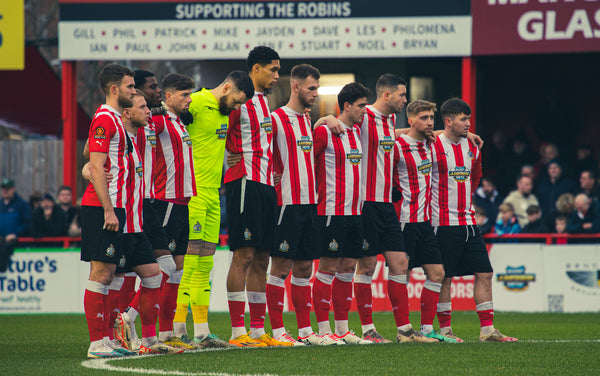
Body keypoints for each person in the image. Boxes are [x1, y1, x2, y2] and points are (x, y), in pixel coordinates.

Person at [171, 70, 253, 349]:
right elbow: (163, 115)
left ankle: (202, 332)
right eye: (237, 101)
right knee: (189, 263)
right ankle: (178, 327)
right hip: (192, 193)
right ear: (227, 87)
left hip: (213, 194)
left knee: (206, 263)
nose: (237, 108)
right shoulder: (194, 102)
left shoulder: (225, 112)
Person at [431, 98, 517, 342]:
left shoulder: (473, 147)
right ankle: (446, 330)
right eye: (463, 119)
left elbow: (475, 178)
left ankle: (487, 330)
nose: (469, 124)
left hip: (469, 222)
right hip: (443, 222)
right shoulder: (434, 144)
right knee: (445, 277)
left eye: (469, 119)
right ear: (448, 121)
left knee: (485, 273)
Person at [266, 64, 336, 346]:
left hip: (310, 205)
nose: (316, 94)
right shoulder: (275, 119)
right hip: (286, 203)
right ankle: (279, 331)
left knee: (305, 267)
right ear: (295, 87)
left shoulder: (308, 120)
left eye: (317, 88)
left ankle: (306, 332)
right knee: (280, 268)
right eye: (311, 88)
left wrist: (323, 121)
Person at [80, 64, 146, 358]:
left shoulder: (115, 119)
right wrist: (108, 209)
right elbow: (94, 163)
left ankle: (107, 338)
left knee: (109, 275)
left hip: (116, 206)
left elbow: (90, 155)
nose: (135, 91)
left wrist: (91, 167)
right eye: (131, 86)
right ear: (115, 89)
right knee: (101, 273)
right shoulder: (105, 117)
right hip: (102, 207)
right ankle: (97, 343)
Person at [223, 46, 284, 347]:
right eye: (272, 69)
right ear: (256, 69)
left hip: (265, 186)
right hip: (243, 181)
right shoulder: (239, 102)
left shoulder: (266, 106)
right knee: (243, 255)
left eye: (278, 69)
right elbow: (218, 135)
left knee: (262, 257)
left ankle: (258, 331)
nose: (276, 75)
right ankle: (237, 331)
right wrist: (227, 159)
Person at [311, 82, 374, 345]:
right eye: (360, 106)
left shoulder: (357, 131)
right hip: (331, 211)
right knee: (327, 268)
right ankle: (324, 329)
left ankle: (343, 329)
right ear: (346, 106)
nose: (364, 111)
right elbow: (306, 159)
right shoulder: (326, 131)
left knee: (348, 267)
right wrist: (322, 119)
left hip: (355, 212)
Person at [393, 100, 454, 342]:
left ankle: (427, 329)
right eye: (424, 118)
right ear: (410, 121)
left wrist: (469, 132)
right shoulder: (397, 146)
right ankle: (404, 331)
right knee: (403, 276)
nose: (430, 122)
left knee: (437, 273)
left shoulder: (431, 143)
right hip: (404, 221)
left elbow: (446, 132)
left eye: (431, 118)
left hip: (425, 221)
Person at [0, 178, 31, 272]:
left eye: (8, 188)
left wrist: (16, 234)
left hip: (16, 243)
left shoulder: (22, 205)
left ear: (13, 189)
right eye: (3, 188)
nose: (5, 190)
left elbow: (28, 223)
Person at [536, 159, 576, 224]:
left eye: (556, 168)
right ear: (548, 170)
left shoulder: (569, 185)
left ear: (561, 169)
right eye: (551, 168)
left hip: (563, 221)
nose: (553, 170)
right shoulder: (542, 186)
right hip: (545, 221)